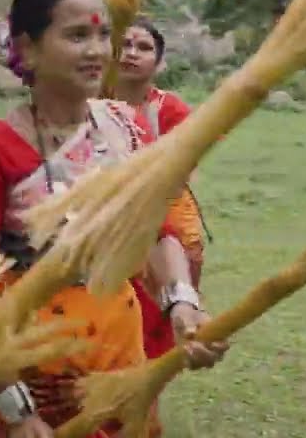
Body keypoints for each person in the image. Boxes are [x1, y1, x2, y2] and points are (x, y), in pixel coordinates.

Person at [0, 0, 229, 438]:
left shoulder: (125, 127)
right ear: (28, 48)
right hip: (32, 357)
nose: (98, 51)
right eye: (78, 35)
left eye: (103, 35)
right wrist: (16, 409)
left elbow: (154, 230)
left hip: (116, 343)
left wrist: (183, 304)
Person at [113, 18, 211, 363]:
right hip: (108, 210)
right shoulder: (88, 104)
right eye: (125, 45)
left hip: (164, 205)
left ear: (159, 62)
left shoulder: (169, 109)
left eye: (143, 48)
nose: (131, 53)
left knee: (176, 274)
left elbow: (187, 166)